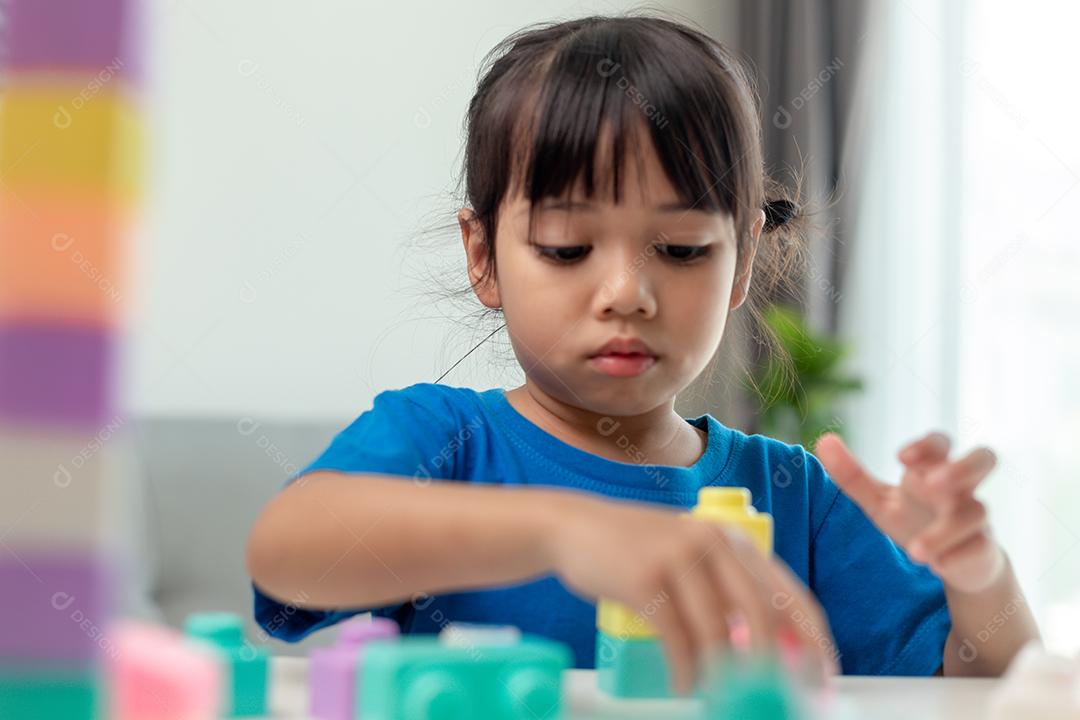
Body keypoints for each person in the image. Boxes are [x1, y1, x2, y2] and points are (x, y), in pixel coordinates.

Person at [246, 13, 1039, 695]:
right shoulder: (443, 439)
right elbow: (285, 554)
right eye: (566, 247)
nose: (627, 292)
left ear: (744, 261)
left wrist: (980, 579)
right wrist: (565, 530)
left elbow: (970, 689)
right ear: (483, 256)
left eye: (683, 248)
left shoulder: (795, 496)